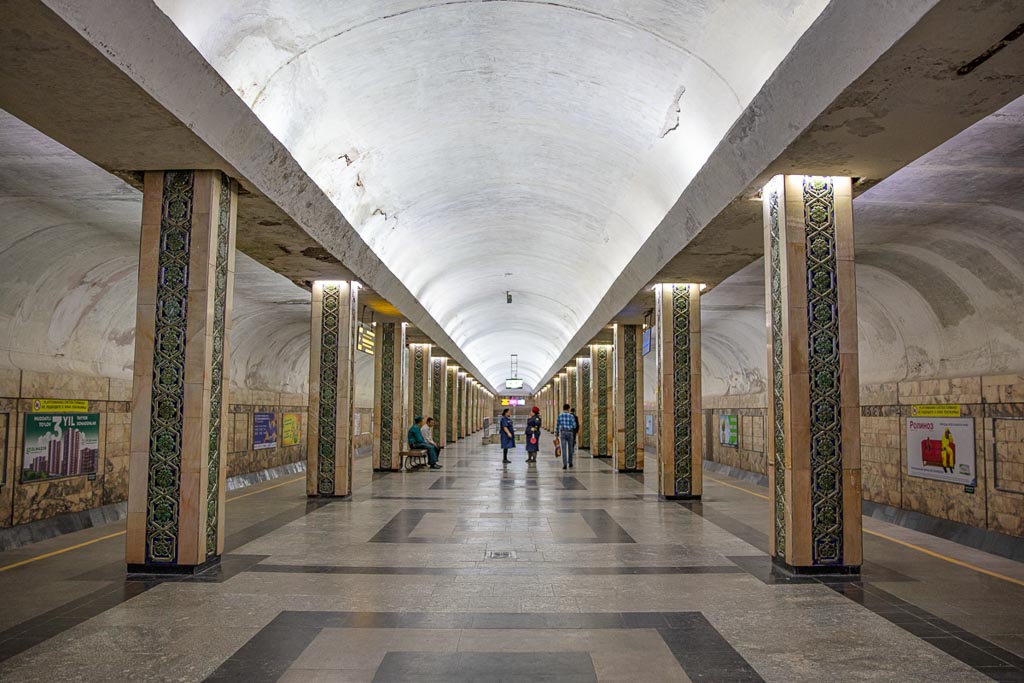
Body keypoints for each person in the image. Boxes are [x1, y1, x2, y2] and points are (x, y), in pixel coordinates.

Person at [556, 403, 576, 469]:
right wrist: (570, 427)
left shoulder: (560, 416)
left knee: (564, 449)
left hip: (563, 432)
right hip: (570, 433)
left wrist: (556, 433)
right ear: (568, 409)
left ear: (563, 408)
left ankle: (564, 464)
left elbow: (557, 426)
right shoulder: (571, 416)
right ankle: (570, 462)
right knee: (570, 448)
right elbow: (574, 425)